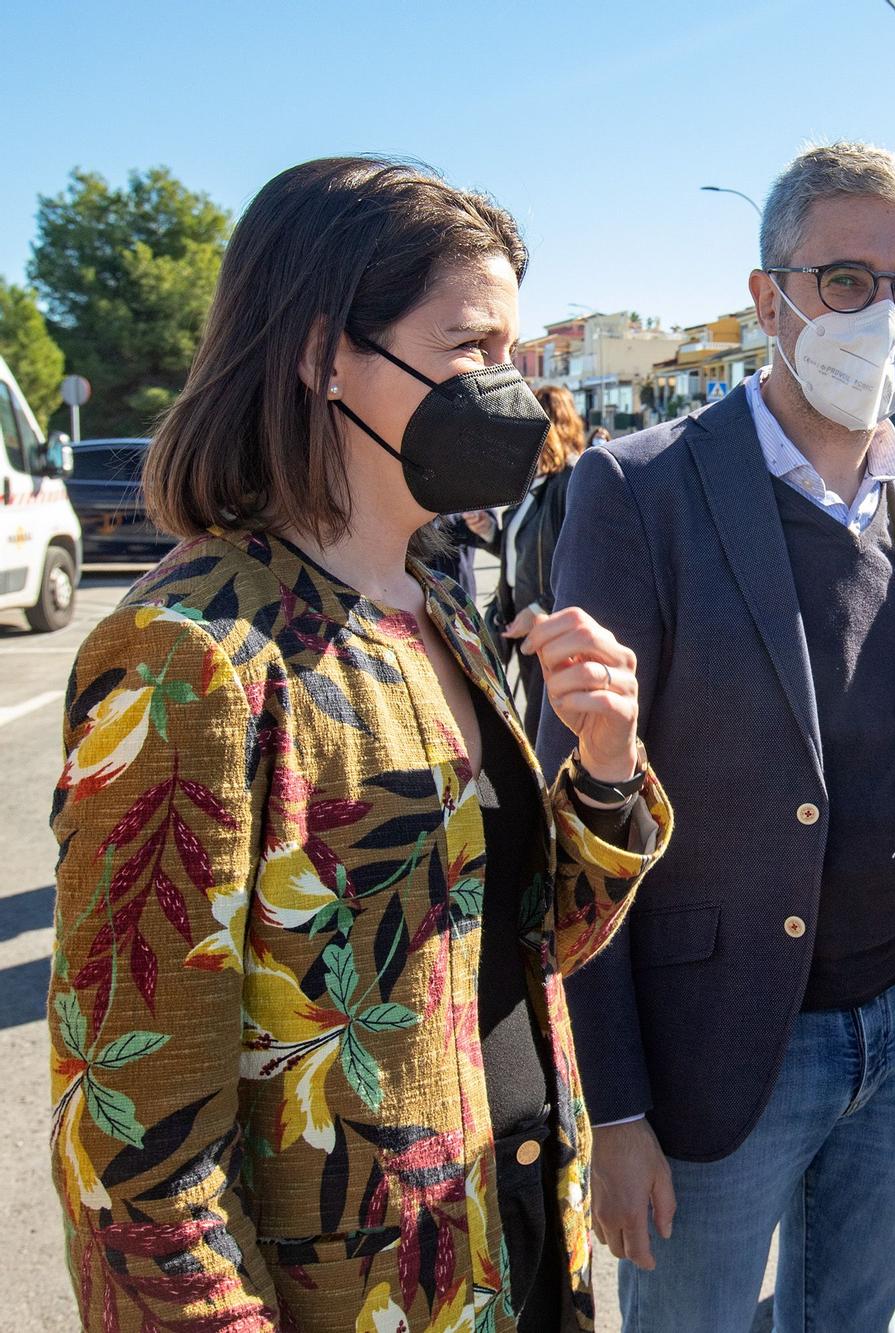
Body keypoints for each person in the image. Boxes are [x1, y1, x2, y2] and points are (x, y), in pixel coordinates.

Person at [48, 156, 670, 1333]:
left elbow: (515, 951)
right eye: (470, 349)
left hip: (516, 1257)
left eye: (514, 353)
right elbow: (133, 1171)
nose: (514, 391)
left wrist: (601, 768)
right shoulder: (193, 659)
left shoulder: (433, 598)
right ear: (324, 354)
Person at [540, 142, 895, 1332]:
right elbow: (579, 815)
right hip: (714, 1049)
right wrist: (613, 1111)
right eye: (846, 281)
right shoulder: (633, 489)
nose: (888, 315)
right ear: (769, 300)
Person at [478, 383, 587, 745]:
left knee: (546, 734)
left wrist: (539, 606)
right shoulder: (534, 483)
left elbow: (576, 559)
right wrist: (490, 533)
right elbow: (521, 555)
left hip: (549, 628)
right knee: (531, 725)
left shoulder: (568, 481)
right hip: (523, 625)